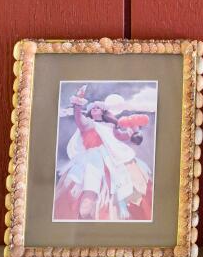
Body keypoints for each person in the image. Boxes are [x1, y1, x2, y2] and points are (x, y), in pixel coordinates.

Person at [52, 86, 153, 222]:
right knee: (88, 185)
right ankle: (85, 213)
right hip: (91, 159)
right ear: (89, 111)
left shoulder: (111, 126)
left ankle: (121, 206)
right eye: (92, 108)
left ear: (103, 111)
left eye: (98, 108)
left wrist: (134, 131)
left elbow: (121, 137)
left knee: (120, 179)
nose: (94, 109)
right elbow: (78, 117)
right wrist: (78, 101)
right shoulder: (87, 124)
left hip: (111, 156)